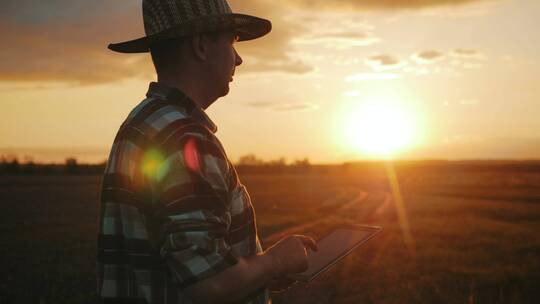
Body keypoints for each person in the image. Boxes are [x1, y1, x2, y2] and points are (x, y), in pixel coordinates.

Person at [97, 0, 317, 303]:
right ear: (200, 45)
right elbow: (208, 285)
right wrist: (275, 261)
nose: (238, 59)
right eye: (231, 42)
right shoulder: (186, 139)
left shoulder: (140, 124)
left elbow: (179, 266)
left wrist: (260, 274)